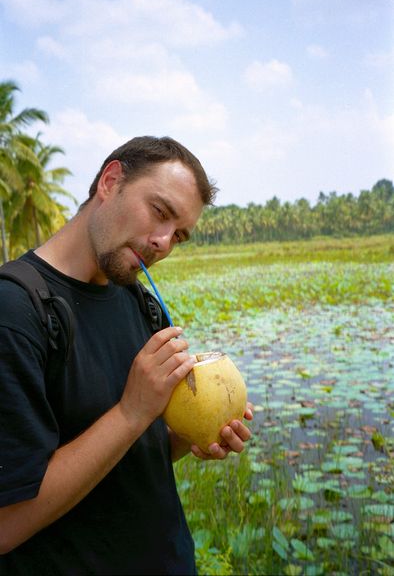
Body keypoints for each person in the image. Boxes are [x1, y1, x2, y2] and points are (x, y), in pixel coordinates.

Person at [0, 136, 252, 575]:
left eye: (179, 235)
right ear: (110, 181)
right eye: (159, 212)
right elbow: (7, 524)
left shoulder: (138, 301)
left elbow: (135, 454)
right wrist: (132, 412)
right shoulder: (15, 311)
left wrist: (189, 438)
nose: (162, 243)